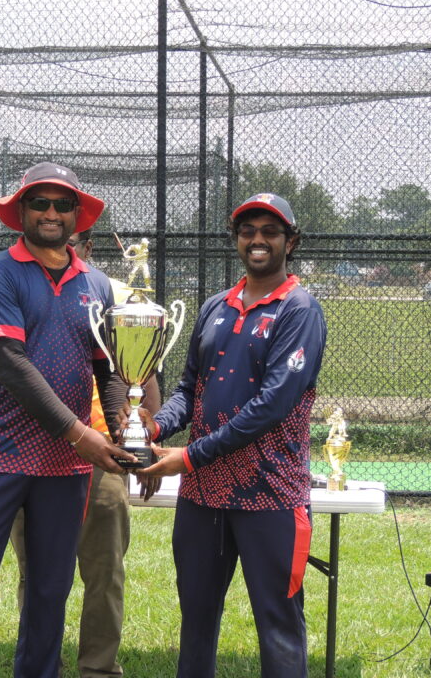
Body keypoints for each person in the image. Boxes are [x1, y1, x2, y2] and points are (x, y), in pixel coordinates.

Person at [0, 162, 132, 678]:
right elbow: (12, 366)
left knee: (49, 589)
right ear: (21, 211)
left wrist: (124, 424)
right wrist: (80, 433)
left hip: (64, 469)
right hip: (0, 457)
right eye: (40, 203)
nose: (52, 213)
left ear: (77, 216)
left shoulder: (98, 285)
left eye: (63, 205)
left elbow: (107, 367)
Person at [138, 192, 328, 678]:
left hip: (270, 496)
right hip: (204, 497)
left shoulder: (299, 310)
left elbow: (271, 406)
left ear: (291, 241)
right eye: (248, 230)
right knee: (197, 622)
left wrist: (187, 457)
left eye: (270, 231)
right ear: (236, 239)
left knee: (278, 625)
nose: (258, 239)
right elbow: (188, 389)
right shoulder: (215, 306)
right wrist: (154, 425)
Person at [9, 228, 161, 678]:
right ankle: (41, 666)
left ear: (89, 247)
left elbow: (142, 380)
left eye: (76, 240)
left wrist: (141, 440)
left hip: (99, 458)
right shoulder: (17, 287)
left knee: (105, 574)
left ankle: (98, 669)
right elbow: (3, 369)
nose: (64, 246)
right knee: (35, 574)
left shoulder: (114, 295)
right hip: (31, 454)